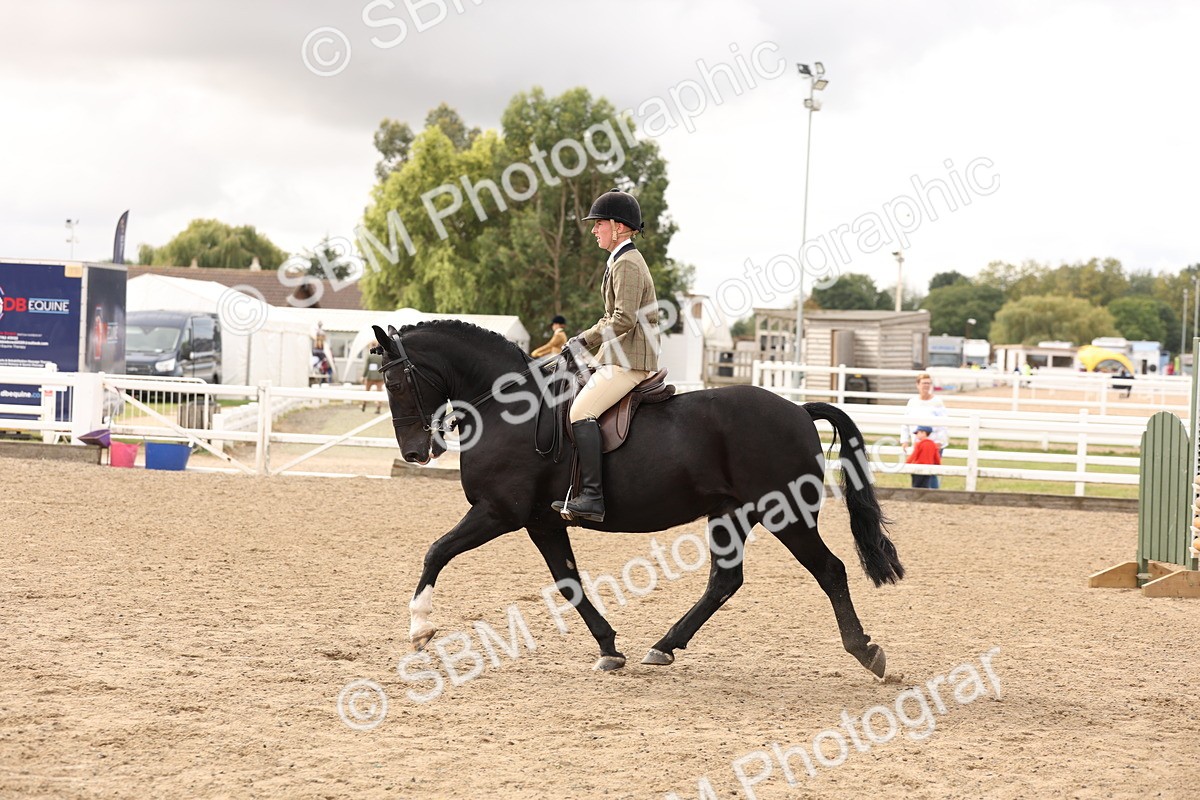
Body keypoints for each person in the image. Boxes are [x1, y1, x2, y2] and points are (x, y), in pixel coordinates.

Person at [551, 189, 658, 523]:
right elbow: (611, 317)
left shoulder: (627, 263)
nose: (594, 230)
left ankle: (594, 498)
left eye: (599, 224)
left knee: (581, 412)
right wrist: (583, 342)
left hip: (631, 359)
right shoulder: (620, 261)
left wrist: (583, 339)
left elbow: (623, 319)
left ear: (619, 226)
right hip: (618, 354)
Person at [900, 372, 949, 489]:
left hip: (933, 442)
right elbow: (905, 423)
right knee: (917, 470)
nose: (926, 386)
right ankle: (918, 492)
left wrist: (940, 441)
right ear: (918, 385)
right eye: (923, 383)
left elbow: (944, 424)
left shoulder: (937, 402)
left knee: (932, 471)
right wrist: (904, 440)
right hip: (917, 442)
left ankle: (933, 493)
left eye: (928, 383)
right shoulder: (912, 402)